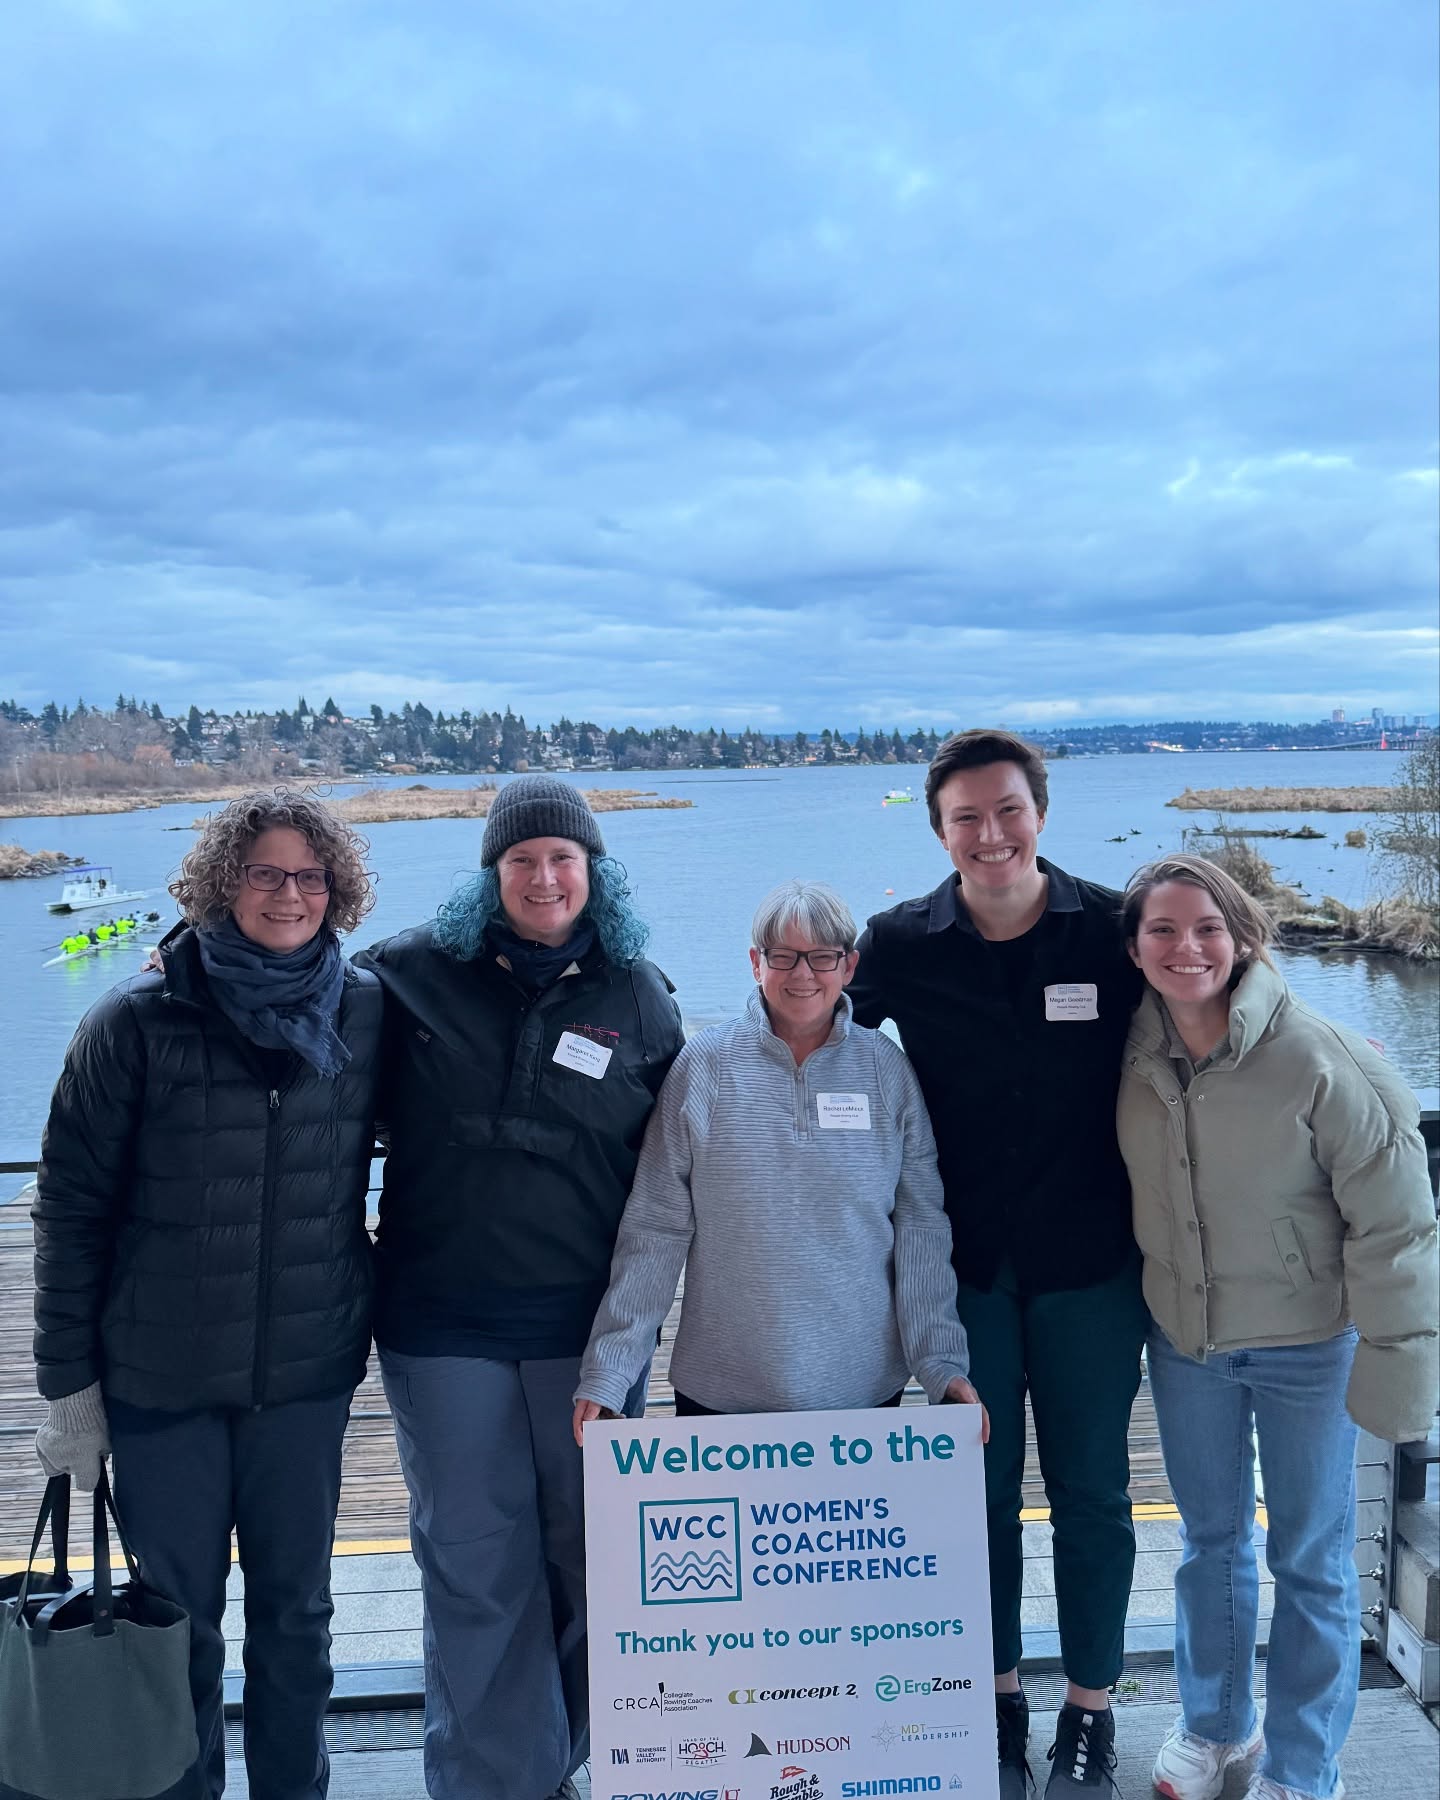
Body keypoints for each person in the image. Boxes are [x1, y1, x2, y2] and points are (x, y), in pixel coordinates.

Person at [31, 789, 382, 1800]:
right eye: (266, 873)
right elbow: (70, 1213)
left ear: (337, 890)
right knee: (177, 1619)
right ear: (224, 882)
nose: (289, 894)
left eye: (310, 876)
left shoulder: (365, 1009)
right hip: (163, 1382)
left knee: (298, 1617)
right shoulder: (134, 1022)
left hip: (305, 1379)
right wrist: (71, 1392)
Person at [355, 774, 684, 1800]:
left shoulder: (639, 994)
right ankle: (499, 1783)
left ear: (595, 872)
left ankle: (571, 1756)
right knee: (474, 1564)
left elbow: (681, 1169)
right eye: (521, 860)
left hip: (586, 1335)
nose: (544, 878)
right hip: (440, 1326)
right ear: (491, 875)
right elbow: (300, 1054)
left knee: (595, 1564)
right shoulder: (403, 977)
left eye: (563, 859)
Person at [848, 728, 1149, 1799]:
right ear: (939, 831)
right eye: (966, 817)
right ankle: (996, 1692)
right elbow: (813, 1033)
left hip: (1092, 1265)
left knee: (1094, 1496)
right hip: (959, 1268)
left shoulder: (1116, 928)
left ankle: (1093, 1708)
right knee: (973, 1497)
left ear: (1041, 812)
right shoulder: (899, 941)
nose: (990, 833)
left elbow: (1218, 1010)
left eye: (1008, 809)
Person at [1118, 855, 1438, 1800]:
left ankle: (1304, 1770)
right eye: (1163, 930)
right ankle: (1217, 1728)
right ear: (1133, 948)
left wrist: (1398, 1377)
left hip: (1309, 1345)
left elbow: (1398, 1226)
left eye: (1207, 927)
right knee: (1210, 1541)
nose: (1187, 948)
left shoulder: (1322, 1057)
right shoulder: (1126, 1056)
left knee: (1313, 1560)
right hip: (1187, 1343)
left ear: (1244, 935)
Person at [574, 878, 981, 1433]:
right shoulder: (705, 1067)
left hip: (862, 1389)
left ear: (850, 967)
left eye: (822, 957)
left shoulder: (887, 1071)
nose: (803, 975)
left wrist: (940, 1362)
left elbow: (920, 1226)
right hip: (722, 1389)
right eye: (783, 956)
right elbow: (656, 1229)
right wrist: (612, 1370)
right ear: (755, 963)